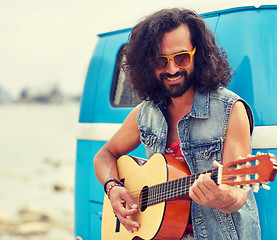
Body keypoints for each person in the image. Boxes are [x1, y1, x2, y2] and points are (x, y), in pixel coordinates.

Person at [94, 8, 261, 240]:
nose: (172, 69)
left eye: (181, 58)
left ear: (199, 54)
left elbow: (238, 193)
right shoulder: (145, 113)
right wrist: (113, 188)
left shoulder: (230, 110)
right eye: (160, 61)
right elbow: (104, 155)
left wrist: (221, 198)